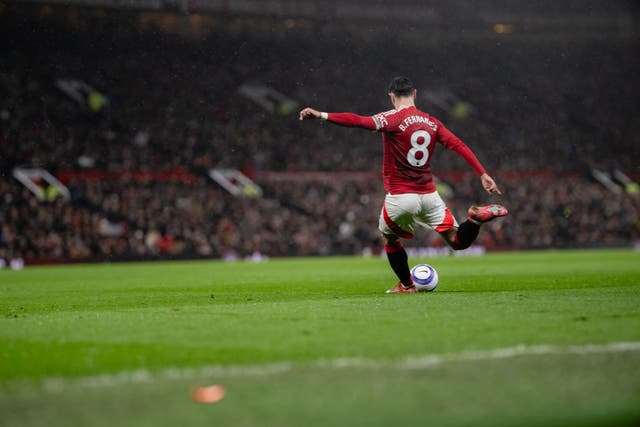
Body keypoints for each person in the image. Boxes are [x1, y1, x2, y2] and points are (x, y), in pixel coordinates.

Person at [299, 76, 508, 293]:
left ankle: (407, 285)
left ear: (391, 96)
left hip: (401, 197)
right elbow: (458, 145)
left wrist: (321, 115)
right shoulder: (432, 122)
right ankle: (474, 220)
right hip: (429, 195)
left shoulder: (391, 118)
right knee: (458, 241)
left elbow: (358, 121)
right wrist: (483, 173)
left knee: (389, 239)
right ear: (415, 94)